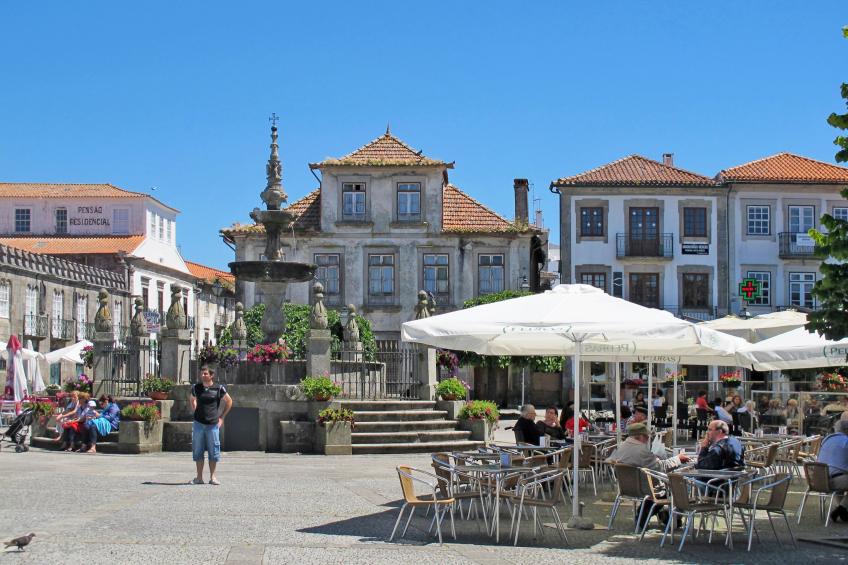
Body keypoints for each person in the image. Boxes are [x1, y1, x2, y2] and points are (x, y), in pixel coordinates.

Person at [605, 422, 690, 529]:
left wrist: (653, 458)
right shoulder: (641, 450)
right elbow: (661, 467)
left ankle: (659, 515)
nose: (648, 438)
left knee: (663, 488)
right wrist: (678, 459)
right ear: (639, 436)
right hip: (644, 488)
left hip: (626, 488)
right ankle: (668, 516)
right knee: (675, 487)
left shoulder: (622, 447)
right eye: (646, 436)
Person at [190, 366, 233, 485]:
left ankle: (213, 477)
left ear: (211, 375)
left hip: (212, 424)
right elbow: (192, 398)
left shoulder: (218, 388)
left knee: (213, 450)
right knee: (198, 450)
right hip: (199, 423)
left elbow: (229, 401)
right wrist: (194, 407)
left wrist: (222, 418)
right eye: (201, 374)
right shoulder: (196, 387)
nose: (202, 376)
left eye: (205, 374)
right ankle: (199, 478)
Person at [817, 419, 848, 523]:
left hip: (819, 481)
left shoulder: (826, 440)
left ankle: (843, 511)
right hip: (835, 481)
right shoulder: (846, 441)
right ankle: (841, 509)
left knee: (841, 474)